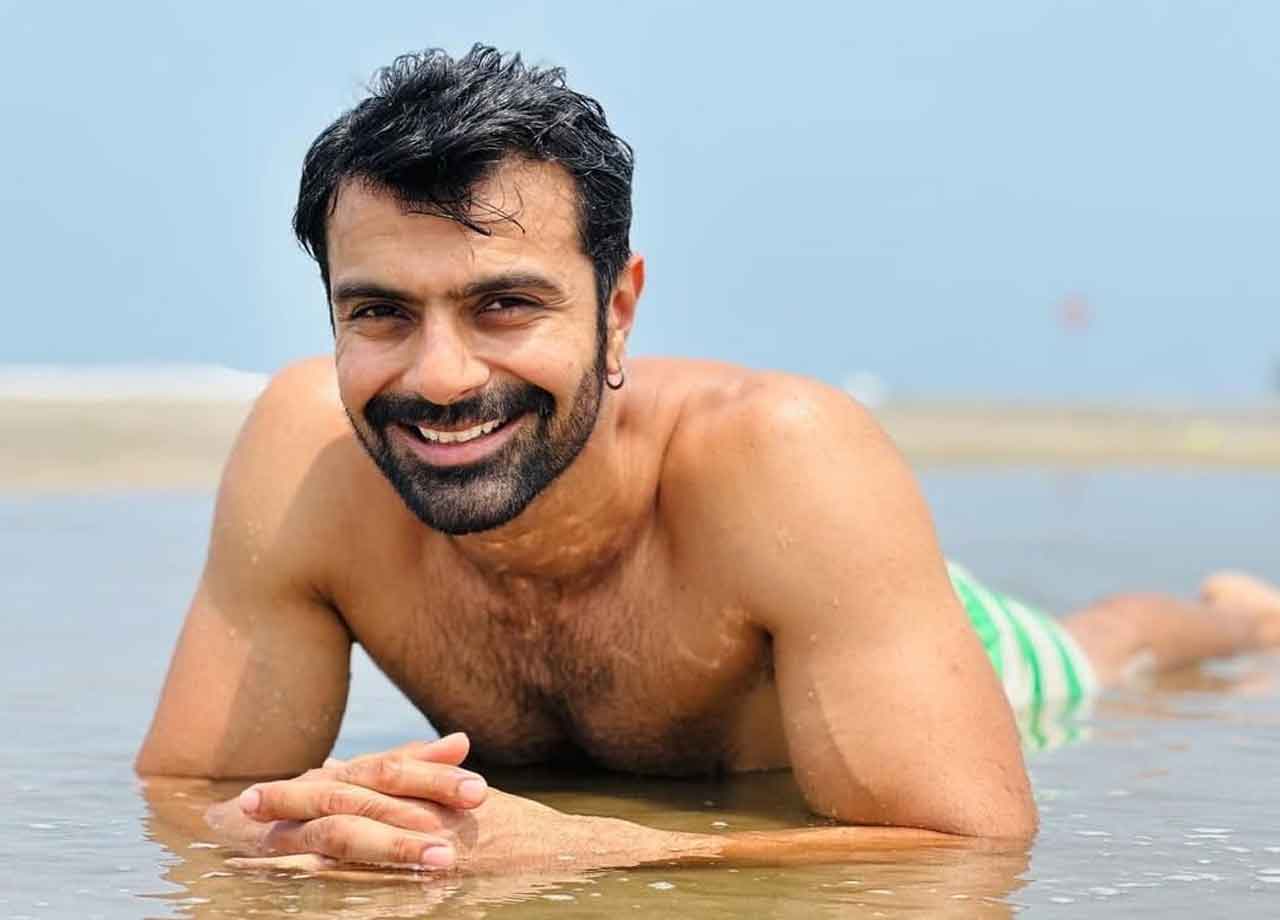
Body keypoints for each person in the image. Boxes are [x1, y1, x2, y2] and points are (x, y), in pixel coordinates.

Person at [135, 45, 1280, 876]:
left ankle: (1236, 615)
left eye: (504, 305)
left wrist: (587, 846)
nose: (438, 376)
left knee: (1103, 645)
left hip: (907, 619)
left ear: (616, 310)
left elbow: (966, 848)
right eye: (380, 311)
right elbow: (184, 794)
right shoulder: (305, 457)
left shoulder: (785, 457)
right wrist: (288, 826)